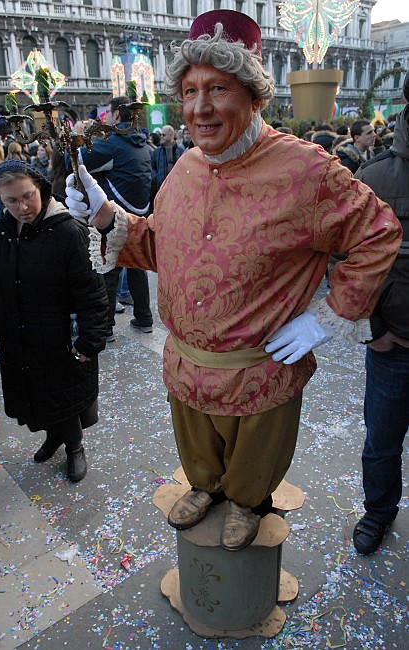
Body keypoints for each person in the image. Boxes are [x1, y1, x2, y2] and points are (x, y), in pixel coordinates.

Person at [65, 10, 401, 551]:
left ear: (253, 94)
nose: (199, 107)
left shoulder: (308, 170)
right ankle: (207, 486)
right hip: (185, 365)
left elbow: (379, 232)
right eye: (190, 89)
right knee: (197, 450)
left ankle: (247, 499)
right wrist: (108, 217)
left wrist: (330, 314)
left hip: (259, 371)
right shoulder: (185, 167)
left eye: (217, 88)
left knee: (255, 460)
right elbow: (160, 246)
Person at [0, 160, 108, 482]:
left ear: (40, 188)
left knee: (63, 393)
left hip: (59, 334)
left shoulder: (67, 230)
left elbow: (90, 290)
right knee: (36, 393)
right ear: (0, 200)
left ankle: (74, 446)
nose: (22, 207)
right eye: (12, 201)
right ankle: (54, 436)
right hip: (18, 332)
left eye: (28, 196)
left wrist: (92, 338)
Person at [352, 74, 409, 555]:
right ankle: (378, 512)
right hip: (395, 347)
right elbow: (347, 261)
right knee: (382, 444)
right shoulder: (376, 176)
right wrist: (374, 332)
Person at [75, 95, 153, 339]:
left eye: (107, 114)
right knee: (136, 266)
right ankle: (144, 317)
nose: (105, 118)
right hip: (138, 214)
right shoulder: (141, 142)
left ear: (117, 114)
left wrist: (79, 138)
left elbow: (74, 161)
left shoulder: (113, 143)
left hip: (114, 216)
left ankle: (106, 327)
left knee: (108, 269)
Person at [150, 124, 183, 209]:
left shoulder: (180, 151)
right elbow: (151, 168)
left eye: (163, 134)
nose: (161, 136)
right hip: (160, 190)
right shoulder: (156, 152)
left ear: (171, 135)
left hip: (178, 191)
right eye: (160, 134)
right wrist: (156, 178)